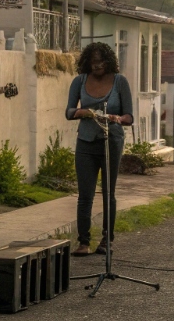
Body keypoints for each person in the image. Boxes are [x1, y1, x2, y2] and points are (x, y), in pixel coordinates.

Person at [66, 42, 133, 257]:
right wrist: (81, 112)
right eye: (93, 62)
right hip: (85, 142)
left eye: (101, 61)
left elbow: (129, 116)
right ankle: (83, 242)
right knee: (85, 195)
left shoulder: (120, 82)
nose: (97, 66)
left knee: (108, 193)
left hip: (111, 141)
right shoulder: (79, 81)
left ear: (109, 61)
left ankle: (107, 240)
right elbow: (68, 111)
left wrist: (117, 118)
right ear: (87, 62)